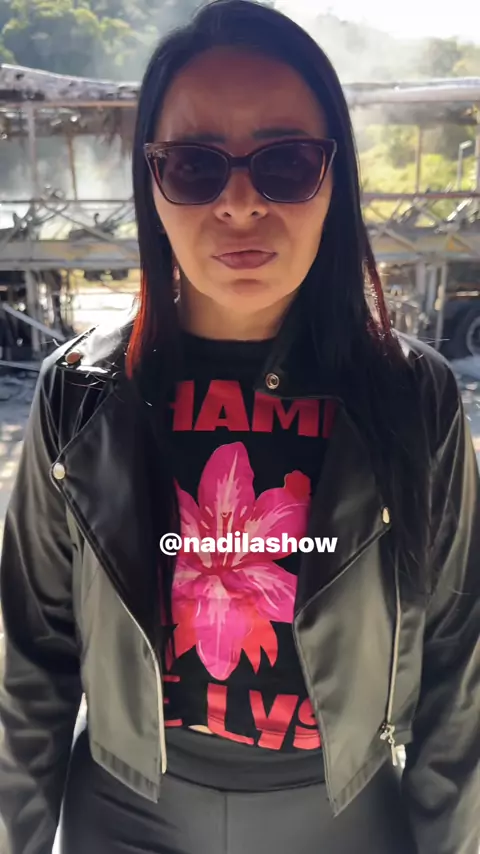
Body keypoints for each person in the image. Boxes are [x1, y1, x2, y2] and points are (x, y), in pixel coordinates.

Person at [0, 1, 479, 852]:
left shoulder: (414, 397)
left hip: (345, 822)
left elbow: (458, 677)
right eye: (194, 166)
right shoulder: (77, 394)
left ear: (334, 178)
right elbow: (29, 671)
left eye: (287, 161)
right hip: (126, 819)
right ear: (152, 183)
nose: (240, 202)